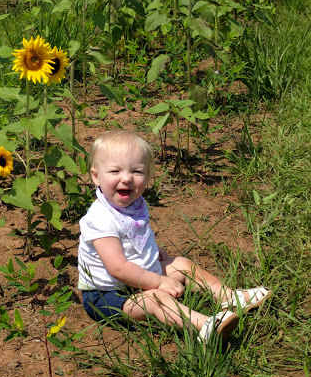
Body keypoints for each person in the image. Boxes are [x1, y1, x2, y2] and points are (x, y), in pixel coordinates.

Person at [78, 129, 271, 343]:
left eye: (137, 171)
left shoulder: (133, 205)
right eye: (115, 171)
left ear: (148, 176)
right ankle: (205, 325)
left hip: (137, 274)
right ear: (96, 176)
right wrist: (159, 281)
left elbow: (133, 234)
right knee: (155, 298)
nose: (127, 178)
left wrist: (150, 249)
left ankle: (230, 298)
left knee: (182, 264)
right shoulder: (100, 218)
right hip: (108, 294)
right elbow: (118, 268)